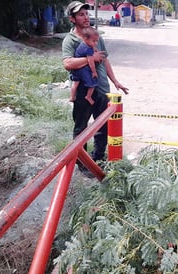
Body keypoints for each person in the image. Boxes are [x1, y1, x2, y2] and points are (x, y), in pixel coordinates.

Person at [62, 1, 129, 176]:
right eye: (81, 15)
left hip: (102, 89)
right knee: (81, 128)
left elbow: (105, 60)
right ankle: (82, 164)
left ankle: (98, 159)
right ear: (72, 18)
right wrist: (90, 58)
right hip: (84, 91)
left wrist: (115, 81)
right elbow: (68, 63)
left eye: (86, 13)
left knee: (103, 127)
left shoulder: (95, 36)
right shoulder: (71, 40)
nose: (86, 17)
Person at [69, 27, 100, 105]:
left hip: (76, 69)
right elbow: (90, 61)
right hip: (83, 69)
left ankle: (72, 97)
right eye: (93, 41)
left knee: (75, 83)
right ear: (85, 38)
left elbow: (92, 46)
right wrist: (94, 72)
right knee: (93, 83)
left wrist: (94, 48)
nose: (95, 43)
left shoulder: (82, 44)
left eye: (96, 41)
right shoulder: (88, 49)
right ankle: (88, 96)